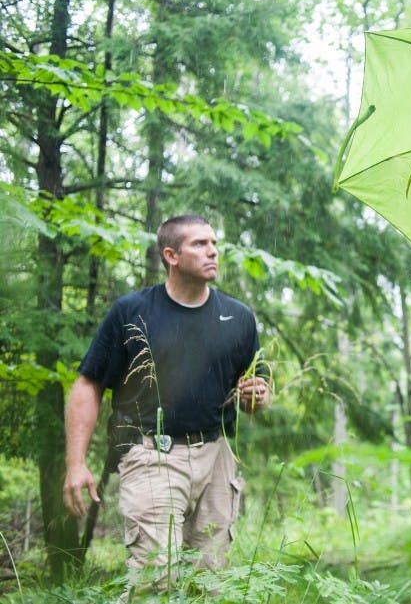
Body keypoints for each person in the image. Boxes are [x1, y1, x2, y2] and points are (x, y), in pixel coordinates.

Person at [63, 214, 271, 586]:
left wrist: (257, 396)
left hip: (216, 456)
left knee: (208, 580)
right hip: (150, 453)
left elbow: (256, 395)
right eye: (200, 244)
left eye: (214, 243)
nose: (213, 252)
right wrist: (76, 463)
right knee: (156, 580)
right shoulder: (133, 311)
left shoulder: (239, 318)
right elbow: (88, 385)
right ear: (171, 255)